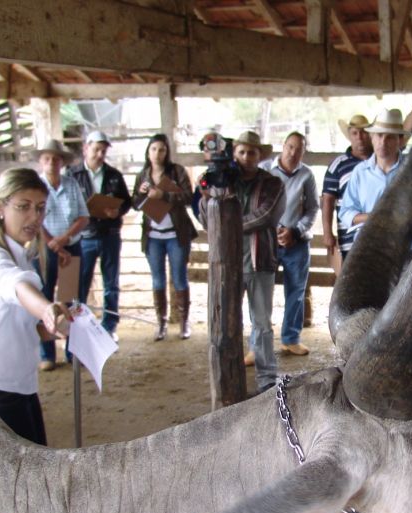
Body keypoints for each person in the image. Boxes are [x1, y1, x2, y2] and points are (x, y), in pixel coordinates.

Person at [0, 167, 73, 446]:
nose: (34, 217)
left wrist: (52, 328)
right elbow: (13, 285)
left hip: (19, 382)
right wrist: (47, 309)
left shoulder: (20, 253)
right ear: (0, 207)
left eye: (41, 208)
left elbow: (22, 324)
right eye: (23, 207)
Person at [201, 131, 282, 392]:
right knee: (226, 321)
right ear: (234, 154)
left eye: (252, 152)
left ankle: (266, 379)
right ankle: (229, 378)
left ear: (260, 156)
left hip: (260, 262)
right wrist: (208, 190)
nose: (247, 157)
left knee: (262, 324)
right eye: (242, 152)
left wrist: (228, 224)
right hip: (228, 265)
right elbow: (206, 219)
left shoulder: (272, 183)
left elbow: (266, 215)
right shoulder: (223, 181)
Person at [338, 108, 412, 259]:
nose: (383, 142)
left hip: (407, 252)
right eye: (379, 136)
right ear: (372, 138)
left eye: (389, 137)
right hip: (367, 253)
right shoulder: (360, 173)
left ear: (399, 141)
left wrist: (408, 218)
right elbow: (346, 212)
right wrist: (374, 217)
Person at [68, 130, 132, 339]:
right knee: (79, 285)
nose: (99, 154)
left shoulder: (114, 175)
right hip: (83, 236)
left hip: (109, 234)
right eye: (96, 149)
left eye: (103, 151)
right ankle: (79, 329)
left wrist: (118, 210)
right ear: (86, 149)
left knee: (110, 284)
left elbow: (126, 201)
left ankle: (109, 327)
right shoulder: (72, 175)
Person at [133, 133, 196, 341]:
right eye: (154, 149)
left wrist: (164, 195)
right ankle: (161, 323)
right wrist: (142, 194)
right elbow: (134, 203)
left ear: (167, 152)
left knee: (179, 277)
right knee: (157, 279)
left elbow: (189, 196)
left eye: (161, 149)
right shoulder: (143, 175)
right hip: (153, 236)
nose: (157, 153)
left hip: (176, 234)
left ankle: (184, 322)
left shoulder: (177, 172)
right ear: (148, 151)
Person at [33, 139, 89, 370]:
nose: (52, 163)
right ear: (41, 162)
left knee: (70, 299)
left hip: (70, 245)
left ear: (62, 162)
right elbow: (34, 219)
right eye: (47, 159)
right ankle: (46, 354)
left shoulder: (72, 184)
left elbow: (83, 217)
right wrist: (52, 243)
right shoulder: (36, 187)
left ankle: (71, 351)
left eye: (56, 159)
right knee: (43, 299)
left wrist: (63, 240)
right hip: (46, 248)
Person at [263, 131, 318, 356]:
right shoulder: (265, 170)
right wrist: (271, 228)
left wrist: (295, 231)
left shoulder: (307, 175)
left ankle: (291, 338)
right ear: (283, 146)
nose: (293, 153)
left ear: (303, 152)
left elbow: (313, 208)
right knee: (262, 292)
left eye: (299, 149)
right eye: (290, 147)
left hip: (296, 242)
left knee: (295, 292)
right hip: (268, 239)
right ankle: (260, 343)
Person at [323, 113, 372, 266]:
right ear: (350, 136)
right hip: (348, 236)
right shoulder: (338, 165)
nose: (360, 137)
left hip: (379, 236)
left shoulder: (381, 162)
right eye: (355, 133)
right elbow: (328, 200)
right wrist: (327, 232)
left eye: (364, 132)